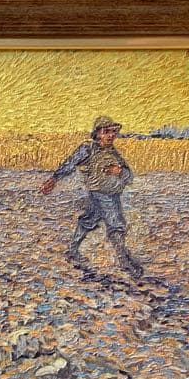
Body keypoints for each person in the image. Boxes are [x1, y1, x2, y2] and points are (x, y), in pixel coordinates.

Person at [41, 116, 144, 278]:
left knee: (89, 220)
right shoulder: (88, 148)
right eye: (106, 132)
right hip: (100, 193)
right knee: (116, 224)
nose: (111, 135)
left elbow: (129, 176)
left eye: (113, 132)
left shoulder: (114, 153)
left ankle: (73, 249)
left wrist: (120, 172)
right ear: (97, 134)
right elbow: (70, 163)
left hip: (113, 194)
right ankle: (124, 260)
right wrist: (54, 179)